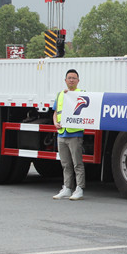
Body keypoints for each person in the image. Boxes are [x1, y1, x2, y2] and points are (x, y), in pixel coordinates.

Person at [52, 69, 86, 200]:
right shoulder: (60, 94)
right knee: (65, 163)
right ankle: (67, 188)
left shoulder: (82, 94)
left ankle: (79, 188)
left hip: (75, 133)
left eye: (74, 78)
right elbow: (55, 112)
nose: (71, 80)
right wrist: (55, 123)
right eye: (69, 78)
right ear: (65, 80)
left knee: (77, 163)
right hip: (62, 133)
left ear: (78, 80)